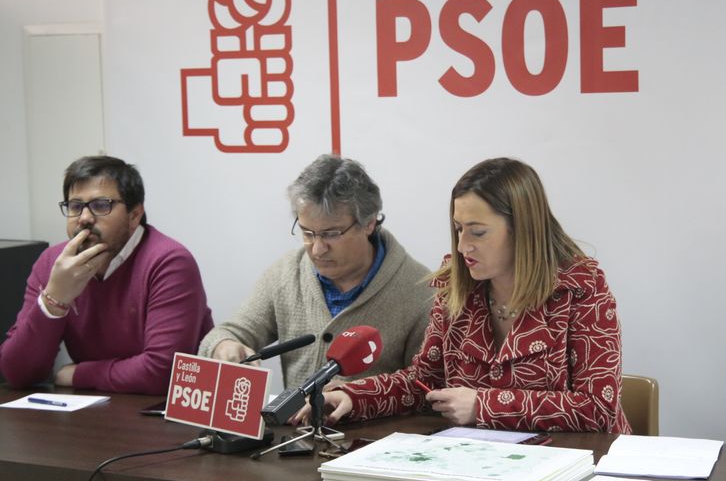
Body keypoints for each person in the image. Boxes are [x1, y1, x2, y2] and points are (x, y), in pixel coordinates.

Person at [317, 157, 631, 433]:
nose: (463, 245)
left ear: (523, 229)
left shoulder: (581, 289)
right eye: (458, 229)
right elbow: (424, 381)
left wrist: (483, 405)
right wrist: (356, 397)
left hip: (580, 469)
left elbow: (597, 408)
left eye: (477, 232)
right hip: (489, 465)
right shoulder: (456, 285)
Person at [198, 155, 433, 390]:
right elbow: (223, 335)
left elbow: (425, 389)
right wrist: (225, 346)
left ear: (369, 223)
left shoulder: (419, 291)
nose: (318, 249)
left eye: (332, 234)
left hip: (375, 427)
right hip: (293, 427)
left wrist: (361, 398)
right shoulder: (286, 273)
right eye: (307, 233)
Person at [0, 156, 213, 395]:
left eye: (101, 205)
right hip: (92, 416)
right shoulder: (53, 263)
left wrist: (78, 374)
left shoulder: (169, 261)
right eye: (75, 206)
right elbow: (17, 373)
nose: (84, 218)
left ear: (134, 214)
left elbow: (163, 372)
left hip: (164, 417)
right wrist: (55, 300)